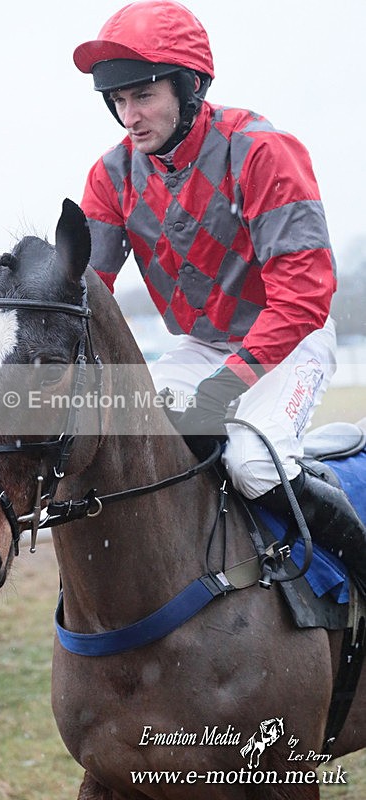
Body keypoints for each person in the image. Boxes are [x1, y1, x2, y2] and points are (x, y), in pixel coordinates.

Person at [73, 0, 366, 590]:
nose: (129, 116)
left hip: (290, 341)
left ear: (190, 85)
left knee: (253, 466)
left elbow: (304, 298)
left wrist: (224, 388)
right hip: (202, 345)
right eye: (118, 101)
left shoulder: (262, 151)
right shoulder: (110, 176)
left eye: (143, 96)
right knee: (138, 447)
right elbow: (86, 292)